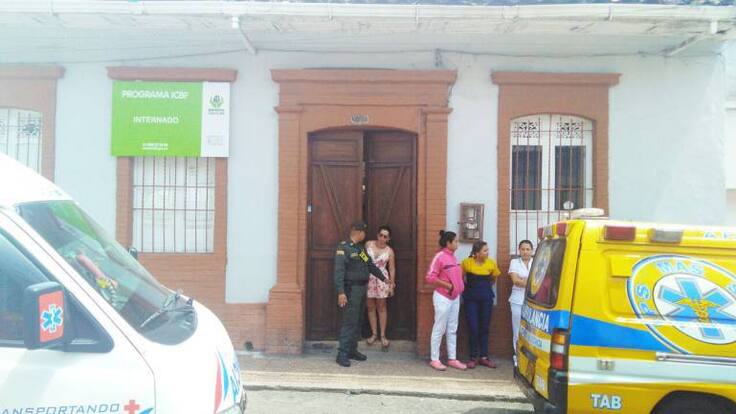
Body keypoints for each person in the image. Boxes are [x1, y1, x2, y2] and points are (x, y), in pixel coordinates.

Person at [333, 221, 387, 368]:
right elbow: (339, 272)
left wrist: (383, 278)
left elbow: (369, 265)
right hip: (351, 290)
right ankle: (342, 354)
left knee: (357, 321)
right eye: (364, 232)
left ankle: (352, 350)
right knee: (350, 321)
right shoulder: (344, 248)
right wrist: (341, 292)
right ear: (358, 232)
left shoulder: (359, 248)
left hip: (362, 289)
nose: (365, 234)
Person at [425, 230, 466, 371]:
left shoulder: (453, 257)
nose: (458, 243)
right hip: (443, 297)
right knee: (439, 328)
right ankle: (435, 359)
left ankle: (452, 358)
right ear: (448, 243)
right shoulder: (440, 257)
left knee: (452, 328)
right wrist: (448, 286)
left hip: (455, 297)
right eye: (456, 241)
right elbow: (430, 277)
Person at [461, 240, 501, 369]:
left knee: (485, 327)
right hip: (470, 299)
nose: (488, 252)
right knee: (473, 327)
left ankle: (484, 357)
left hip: (486, 298)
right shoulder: (466, 263)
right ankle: (473, 357)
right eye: (485, 250)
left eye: (487, 250)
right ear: (477, 253)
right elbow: (462, 278)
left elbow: (494, 279)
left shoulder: (491, 263)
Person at [365, 225, 396, 351]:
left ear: (388, 238)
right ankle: (374, 334)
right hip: (368, 278)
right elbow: (363, 259)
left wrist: (391, 284)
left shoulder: (389, 251)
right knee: (370, 306)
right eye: (381, 235)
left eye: (385, 236)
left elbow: (392, 268)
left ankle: (383, 335)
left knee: (382, 307)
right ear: (377, 235)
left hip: (382, 279)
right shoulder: (368, 245)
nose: (382, 238)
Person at [509, 239, 534, 364]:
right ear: (519, 250)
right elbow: (515, 281)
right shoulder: (514, 262)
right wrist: (531, 282)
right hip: (517, 300)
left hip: (534, 301)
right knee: (517, 329)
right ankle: (517, 356)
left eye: (528, 249)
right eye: (523, 249)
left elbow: (541, 281)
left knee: (531, 330)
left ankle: (529, 358)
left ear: (532, 251)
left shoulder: (536, 262)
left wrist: (523, 280)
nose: (525, 252)